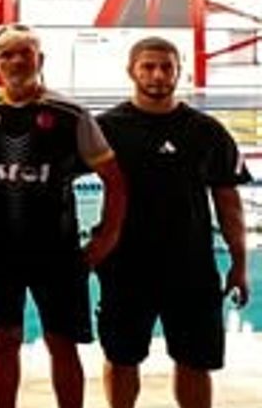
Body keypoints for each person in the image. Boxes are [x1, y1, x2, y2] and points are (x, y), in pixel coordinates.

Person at [0, 24, 128, 408]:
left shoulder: (71, 115)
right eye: (6, 55)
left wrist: (107, 235)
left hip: (56, 251)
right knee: (4, 340)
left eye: (24, 53)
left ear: (40, 59)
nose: (16, 61)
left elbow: (114, 180)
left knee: (62, 342)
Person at [96, 37, 251, 408]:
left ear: (179, 72)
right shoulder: (106, 128)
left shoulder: (206, 130)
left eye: (167, 67)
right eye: (148, 66)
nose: (158, 75)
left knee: (196, 362)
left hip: (191, 267)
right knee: (121, 358)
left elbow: (229, 204)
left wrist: (239, 263)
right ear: (131, 70)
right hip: (126, 265)